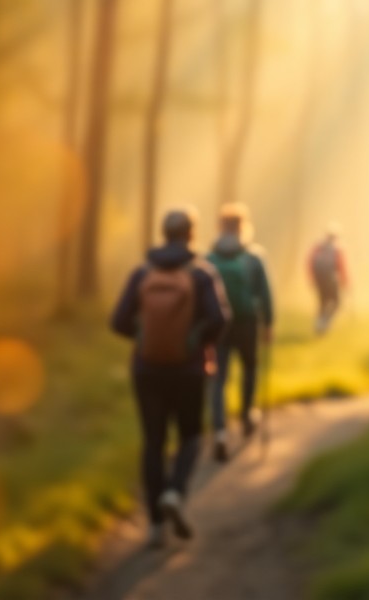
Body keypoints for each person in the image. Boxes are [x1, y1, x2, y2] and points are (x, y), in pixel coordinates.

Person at [110, 208, 230, 548]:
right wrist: (196, 341)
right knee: (191, 436)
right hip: (189, 370)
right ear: (191, 234)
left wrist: (145, 335)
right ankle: (175, 493)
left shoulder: (142, 274)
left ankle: (154, 527)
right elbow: (220, 319)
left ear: (163, 233)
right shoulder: (201, 274)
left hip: (146, 370)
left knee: (153, 442)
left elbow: (118, 322)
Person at [206, 203, 275, 463]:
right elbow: (265, 294)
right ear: (243, 226)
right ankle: (247, 416)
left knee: (218, 379)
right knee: (249, 368)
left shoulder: (209, 258)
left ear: (221, 227)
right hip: (246, 323)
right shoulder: (254, 257)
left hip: (218, 325)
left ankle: (220, 432)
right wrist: (268, 323)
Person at [307, 224, 349, 336]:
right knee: (336, 302)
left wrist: (311, 278)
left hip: (319, 279)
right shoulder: (337, 249)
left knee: (322, 302)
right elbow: (341, 266)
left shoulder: (318, 247)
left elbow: (310, 263)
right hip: (330, 279)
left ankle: (319, 324)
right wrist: (345, 282)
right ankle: (324, 322)